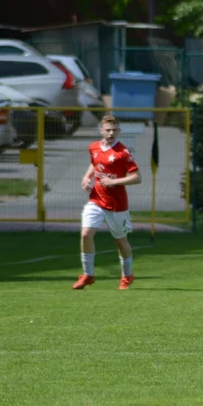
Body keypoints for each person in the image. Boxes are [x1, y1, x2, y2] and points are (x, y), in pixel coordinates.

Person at [73, 114, 142, 290]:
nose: (111, 133)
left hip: (117, 204)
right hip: (96, 199)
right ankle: (88, 275)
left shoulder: (122, 153)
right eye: (108, 130)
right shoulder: (94, 147)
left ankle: (127, 276)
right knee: (86, 234)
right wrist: (87, 176)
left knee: (120, 241)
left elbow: (137, 177)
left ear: (119, 131)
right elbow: (94, 163)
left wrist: (114, 182)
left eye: (114, 130)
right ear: (101, 130)